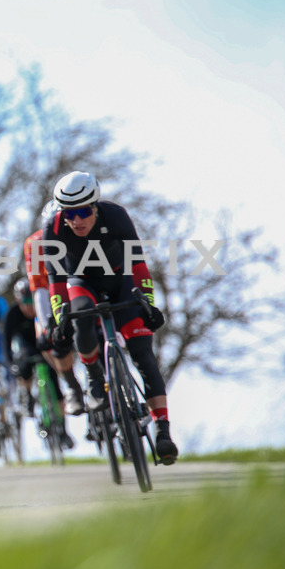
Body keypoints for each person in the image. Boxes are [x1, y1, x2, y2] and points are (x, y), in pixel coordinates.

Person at [42, 170, 178, 465]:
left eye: (82, 212)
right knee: (80, 319)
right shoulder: (52, 228)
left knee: (143, 354)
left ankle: (163, 431)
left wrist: (149, 305)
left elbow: (138, 265)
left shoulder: (116, 216)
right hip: (81, 282)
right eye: (69, 213)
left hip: (121, 281)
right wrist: (58, 317)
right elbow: (55, 278)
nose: (76, 220)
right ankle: (93, 378)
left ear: (95, 206)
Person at [24, 201, 86, 416]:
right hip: (50, 294)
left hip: (82, 287)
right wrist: (46, 324)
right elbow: (39, 287)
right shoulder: (35, 243)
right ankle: (71, 385)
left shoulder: (84, 232)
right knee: (47, 339)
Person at [4, 279, 74, 449]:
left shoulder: (44, 310)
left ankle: (63, 430)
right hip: (25, 347)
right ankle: (27, 393)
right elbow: (6, 342)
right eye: (24, 303)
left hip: (44, 345)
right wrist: (11, 364)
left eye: (31, 302)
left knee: (56, 387)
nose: (29, 307)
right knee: (24, 362)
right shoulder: (13, 314)